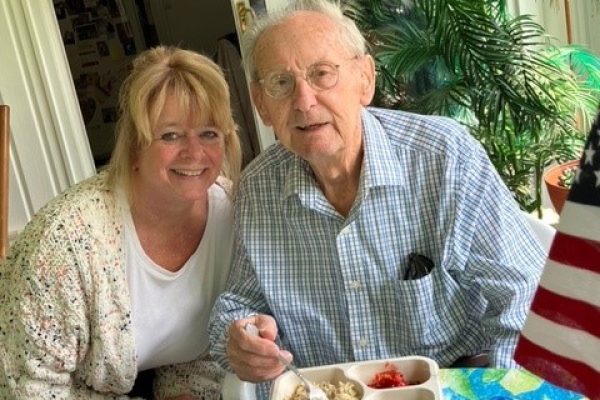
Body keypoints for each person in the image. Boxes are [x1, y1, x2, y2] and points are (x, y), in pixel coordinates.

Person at [207, 1, 546, 398]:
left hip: (446, 383)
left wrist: (507, 391)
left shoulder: (446, 158)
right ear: (261, 104)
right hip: (325, 390)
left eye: (322, 74)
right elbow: (238, 303)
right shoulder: (257, 189)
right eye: (281, 83)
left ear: (365, 79)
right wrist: (241, 339)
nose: (304, 101)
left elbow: (528, 299)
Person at [0, 46, 241, 399]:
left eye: (209, 133)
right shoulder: (64, 241)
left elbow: (204, 347)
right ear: (135, 146)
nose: (194, 152)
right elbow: (26, 388)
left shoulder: (231, 212)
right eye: (170, 135)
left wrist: (185, 392)